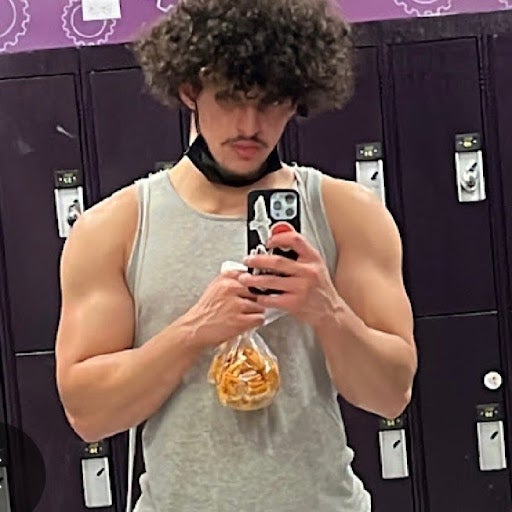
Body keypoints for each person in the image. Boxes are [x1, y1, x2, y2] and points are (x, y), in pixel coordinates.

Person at [55, 0, 417, 511]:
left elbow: (391, 394)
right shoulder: (112, 229)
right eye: (229, 97)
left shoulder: (349, 215)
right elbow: (88, 414)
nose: (249, 125)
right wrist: (193, 330)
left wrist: (327, 310)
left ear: (297, 99)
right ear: (189, 90)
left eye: (271, 101)